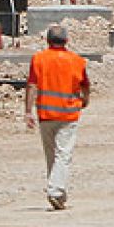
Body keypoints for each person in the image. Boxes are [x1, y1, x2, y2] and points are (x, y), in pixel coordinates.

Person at [25, 24, 90, 210]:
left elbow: (32, 86)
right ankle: (55, 191)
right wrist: (85, 100)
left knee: (51, 156)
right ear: (67, 41)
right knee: (63, 154)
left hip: (46, 114)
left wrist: (28, 111)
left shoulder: (39, 59)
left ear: (47, 40)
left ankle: (59, 193)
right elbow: (85, 85)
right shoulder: (77, 61)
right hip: (68, 114)